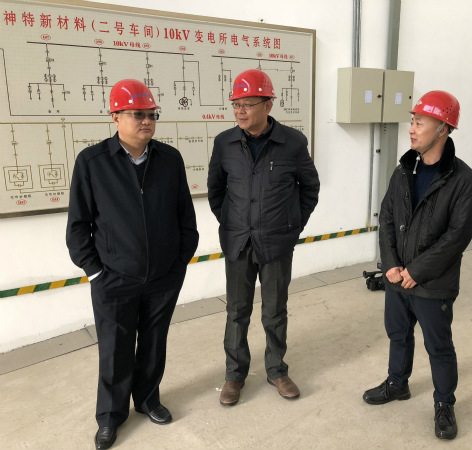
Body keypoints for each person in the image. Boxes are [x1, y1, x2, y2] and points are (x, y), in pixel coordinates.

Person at [66, 79, 199, 450]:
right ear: (115, 117)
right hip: (114, 278)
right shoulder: (93, 162)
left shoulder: (169, 159)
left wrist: (179, 264)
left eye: (152, 114)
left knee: (154, 343)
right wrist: (96, 272)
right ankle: (110, 417)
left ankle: (148, 400)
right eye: (138, 114)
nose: (147, 121)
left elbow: (185, 217)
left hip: (163, 277)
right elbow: (78, 226)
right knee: (115, 349)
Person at [362, 91, 472, 440]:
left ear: (442, 128)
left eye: (419, 123)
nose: (411, 129)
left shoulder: (462, 179)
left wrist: (416, 271)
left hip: (432, 282)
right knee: (398, 334)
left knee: (438, 346)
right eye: (412, 122)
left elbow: (457, 236)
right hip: (398, 277)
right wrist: (391, 265)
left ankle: (444, 404)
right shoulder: (404, 169)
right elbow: (387, 218)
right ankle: (398, 383)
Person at [207, 69, 320, 406]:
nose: (240, 111)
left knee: (274, 310)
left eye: (247, 104)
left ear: (268, 105)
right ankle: (234, 375)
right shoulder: (224, 143)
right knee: (236, 311)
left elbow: (309, 188)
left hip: (276, 243)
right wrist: (231, 222)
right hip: (238, 243)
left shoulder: (293, 143)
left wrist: (292, 226)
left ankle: (276, 370)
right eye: (236, 104)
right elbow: (216, 191)